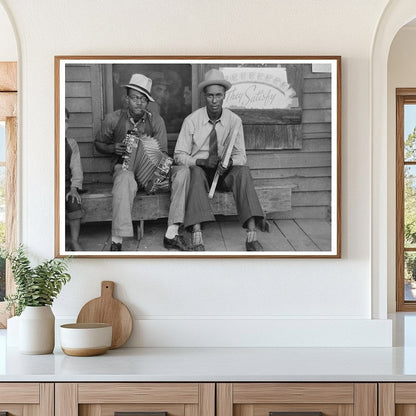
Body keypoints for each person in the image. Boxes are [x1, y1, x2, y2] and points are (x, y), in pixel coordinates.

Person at [174, 69, 266, 251]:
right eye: (210, 96)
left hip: (224, 173)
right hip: (200, 173)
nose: (214, 101)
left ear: (224, 95)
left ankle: (251, 235)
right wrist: (200, 162)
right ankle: (197, 233)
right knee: (195, 172)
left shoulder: (234, 121)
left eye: (218, 95)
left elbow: (242, 157)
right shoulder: (191, 121)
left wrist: (229, 163)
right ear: (204, 96)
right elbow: (178, 156)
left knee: (243, 172)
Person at [95, 73, 188, 251]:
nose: (139, 102)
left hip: (150, 174)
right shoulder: (113, 119)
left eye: (144, 99)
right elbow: (98, 144)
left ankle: (172, 232)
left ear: (148, 102)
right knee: (124, 179)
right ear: (126, 99)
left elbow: (162, 152)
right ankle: (117, 241)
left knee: (183, 172)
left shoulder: (156, 121)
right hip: (125, 169)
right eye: (135, 98)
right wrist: (112, 148)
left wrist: (159, 173)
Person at [65, 108, 84, 251]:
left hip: (67, 185)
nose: (64, 125)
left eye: (65, 121)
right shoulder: (42, 143)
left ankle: (74, 240)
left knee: (73, 202)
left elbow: (76, 168)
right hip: (47, 186)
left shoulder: (71, 144)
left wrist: (73, 188)